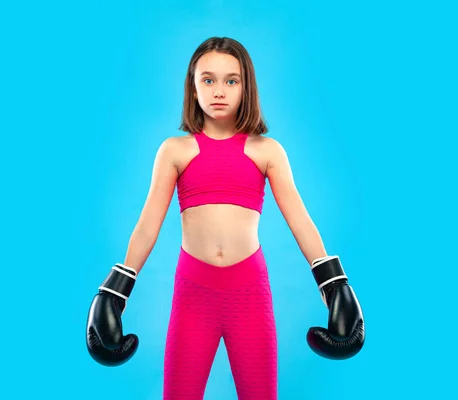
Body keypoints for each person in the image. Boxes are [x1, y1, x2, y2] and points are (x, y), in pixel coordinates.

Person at [86, 37, 365, 399]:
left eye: (231, 81)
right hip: (193, 294)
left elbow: (300, 219)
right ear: (193, 85)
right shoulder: (175, 150)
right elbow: (147, 225)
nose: (219, 91)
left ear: (246, 86)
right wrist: (114, 292)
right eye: (208, 79)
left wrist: (334, 284)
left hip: (249, 293)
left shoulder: (267, 150)